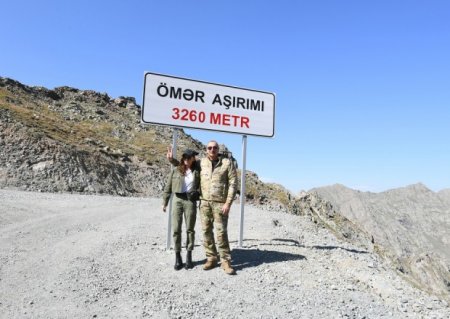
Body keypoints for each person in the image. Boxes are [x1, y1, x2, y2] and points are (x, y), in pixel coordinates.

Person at [167, 140, 237, 275]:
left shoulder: (227, 163)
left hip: (220, 203)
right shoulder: (201, 163)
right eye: (209, 148)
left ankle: (225, 260)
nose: (212, 150)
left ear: (218, 149)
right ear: (206, 150)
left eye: (215, 148)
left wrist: (228, 203)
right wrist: (172, 160)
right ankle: (211, 257)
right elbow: (185, 166)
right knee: (206, 231)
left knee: (221, 232)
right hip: (204, 203)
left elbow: (233, 184)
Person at [162, 149, 200, 270]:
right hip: (177, 199)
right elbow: (168, 186)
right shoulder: (176, 170)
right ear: (183, 158)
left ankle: (189, 256)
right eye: (185, 158)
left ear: (193, 158)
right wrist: (165, 202)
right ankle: (178, 257)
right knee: (176, 229)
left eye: (190, 158)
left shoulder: (198, 170)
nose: (187, 160)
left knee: (190, 229)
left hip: (190, 200)